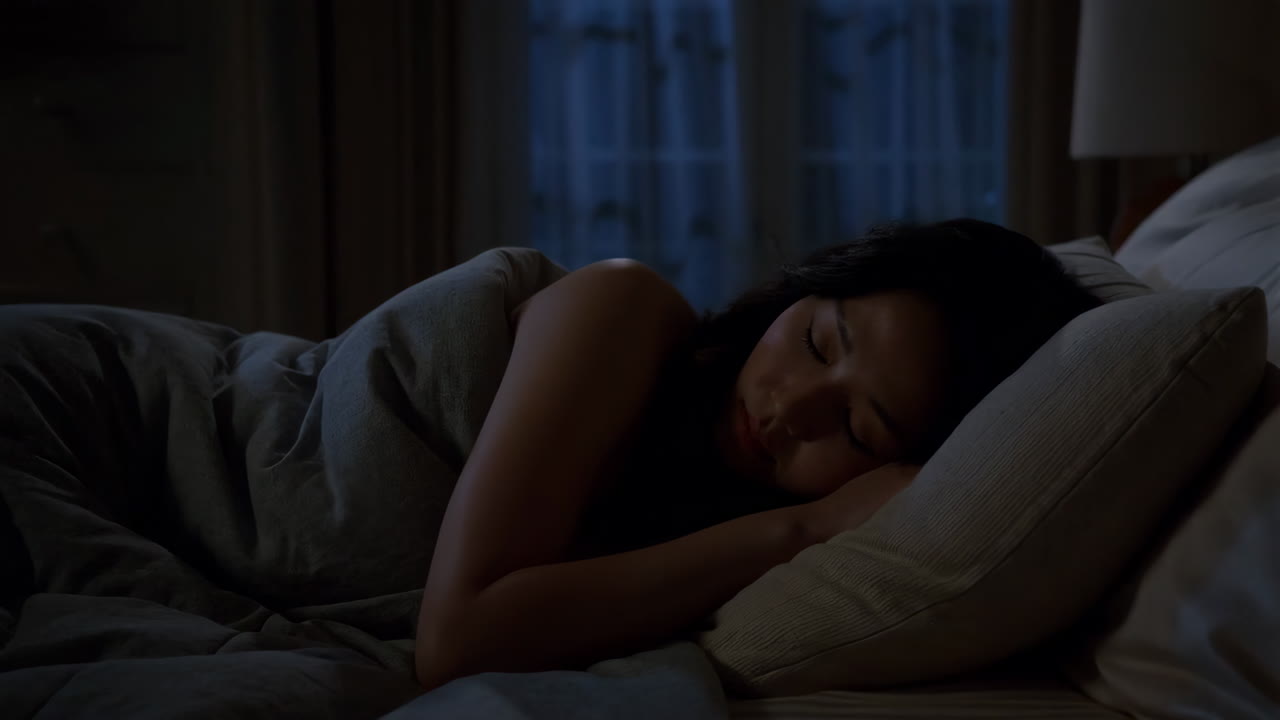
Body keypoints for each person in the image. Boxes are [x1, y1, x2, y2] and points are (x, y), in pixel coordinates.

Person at [414, 218, 1101, 689]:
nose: (790, 410)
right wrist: (803, 529)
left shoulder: (709, 521)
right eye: (817, 343)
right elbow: (460, 642)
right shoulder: (622, 308)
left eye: (858, 431)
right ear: (809, 286)